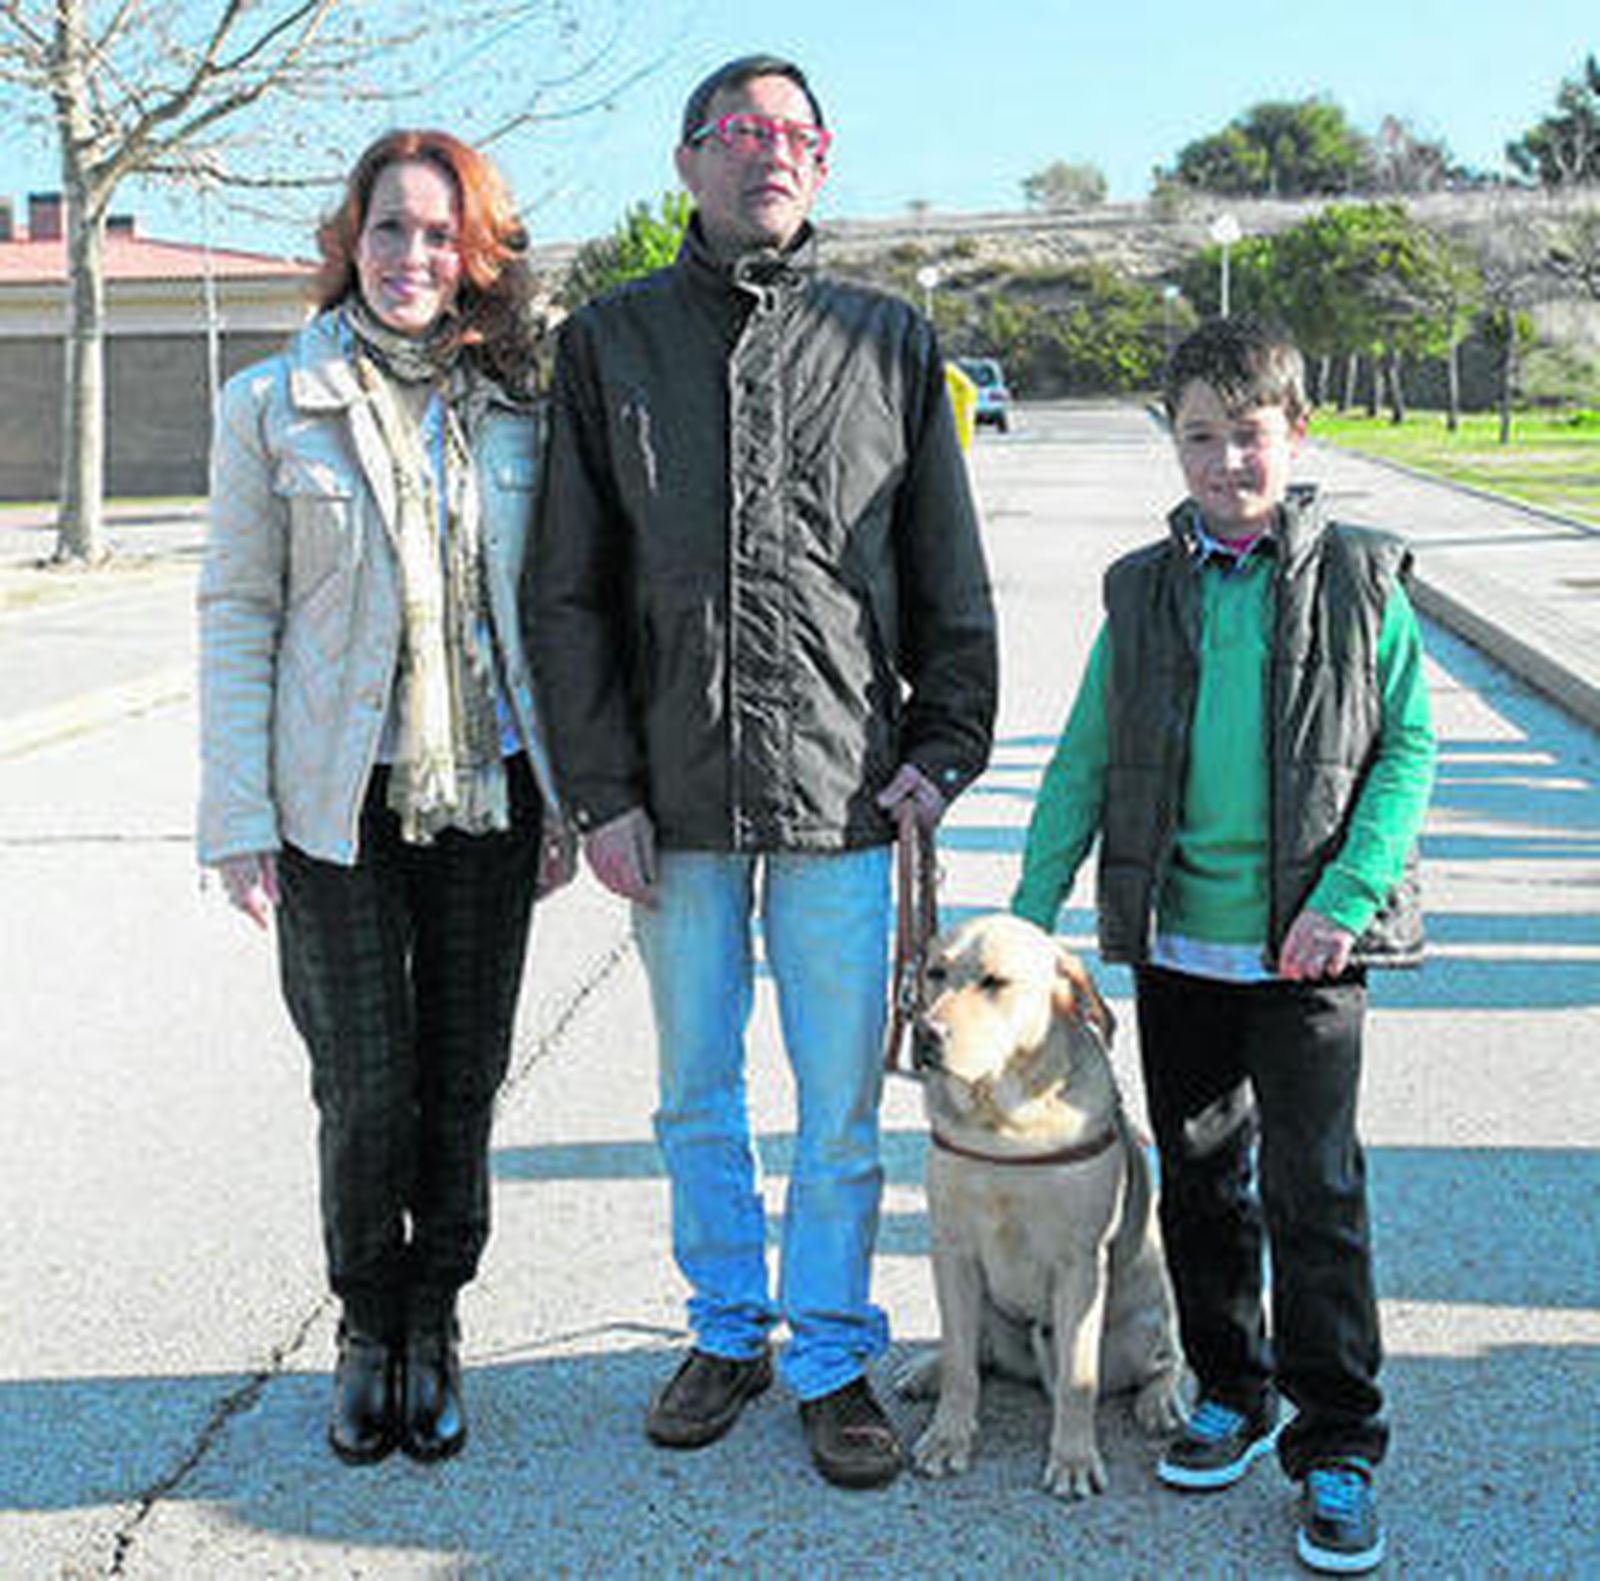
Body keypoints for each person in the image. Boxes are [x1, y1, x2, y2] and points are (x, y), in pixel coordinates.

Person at [530, 55, 997, 1489]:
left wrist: (942, 748)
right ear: (688, 161)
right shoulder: (608, 344)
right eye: (739, 130)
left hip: (842, 791)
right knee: (694, 1089)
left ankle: (832, 1353)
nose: (767, 153)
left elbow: (946, 576)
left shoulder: (889, 343)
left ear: (823, 160)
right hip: (670, 803)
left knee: (840, 1107)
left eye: (793, 133)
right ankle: (727, 1327)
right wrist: (600, 792)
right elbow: (567, 590)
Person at [1011, 316, 1435, 1574]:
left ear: (1294, 435)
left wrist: (1344, 897)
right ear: (1174, 442)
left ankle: (1337, 1440)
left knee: (1315, 1194)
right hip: (1182, 947)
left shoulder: (1361, 578)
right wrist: (1029, 918)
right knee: (1201, 1184)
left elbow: (1405, 749)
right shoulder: (1140, 592)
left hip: (1309, 949)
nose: (1225, 461)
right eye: (1199, 436)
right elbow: (1084, 757)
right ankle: (1230, 1392)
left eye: (1247, 435)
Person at [197, 128, 572, 1466]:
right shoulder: (270, 404)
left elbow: (554, 611)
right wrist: (238, 817)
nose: (411, 254)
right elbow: (238, 613)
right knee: (364, 1085)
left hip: (493, 788)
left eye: (437, 233)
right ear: (349, 242)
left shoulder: (521, 409)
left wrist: (570, 797)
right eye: (388, 228)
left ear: (476, 254)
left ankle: (436, 1321)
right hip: (334, 798)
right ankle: (366, 1325)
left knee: (462, 1079)